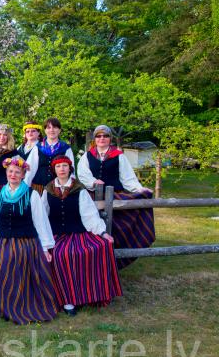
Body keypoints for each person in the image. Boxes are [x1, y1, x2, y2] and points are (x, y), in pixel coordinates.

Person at [0, 157, 58, 324]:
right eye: (10, 171)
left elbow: (40, 221)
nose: (13, 175)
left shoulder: (32, 195)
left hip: (24, 239)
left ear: (23, 175)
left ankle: (11, 303)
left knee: (6, 261)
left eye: (17, 172)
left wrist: (45, 247)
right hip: (0, 237)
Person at [42, 155, 122, 316]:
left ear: (70, 168)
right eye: (58, 166)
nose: (62, 169)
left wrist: (102, 232)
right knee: (60, 254)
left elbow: (89, 214)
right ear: (54, 170)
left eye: (65, 166)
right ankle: (67, 300)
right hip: (55, 234)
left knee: (92, 249)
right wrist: (43, 238)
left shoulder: (79, 188)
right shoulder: (48, 190)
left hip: (77, 232)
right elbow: (42, 215)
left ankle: (86, 295)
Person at [77, 124, 155, 268]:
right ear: (95, 139)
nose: (102, 138)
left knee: (116, 226)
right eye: (99, 136)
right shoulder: (87, 156)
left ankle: (114, 259)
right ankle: (92, 260)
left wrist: (140, 189)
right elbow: (82, 174)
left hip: (114, 195)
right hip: (92, 195)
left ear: (110, 138)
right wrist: (93, 182)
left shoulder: (119, 156)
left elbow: (128, 178)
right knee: (88, 224)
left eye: (105, 136)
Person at [27, 118, 75, 193]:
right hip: (38, 188)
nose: (52, 130)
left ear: (59, 130)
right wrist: (25, 186)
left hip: (58, 189)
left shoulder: (65, 148)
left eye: (55, 127)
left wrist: (69, 187)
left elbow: (71, 169)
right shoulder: (38, 147)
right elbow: (30, 169)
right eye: (48, 127)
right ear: (45, 130)